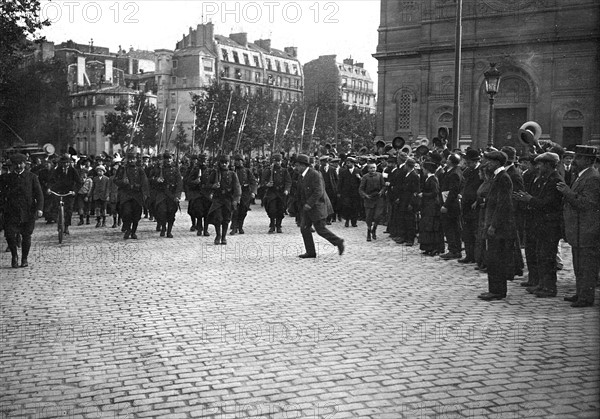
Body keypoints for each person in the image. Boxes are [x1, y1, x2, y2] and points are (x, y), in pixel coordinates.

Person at [557, 145, 600, 307]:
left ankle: (586, 297)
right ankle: (580, 292)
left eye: (579, 158)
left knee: (587, 266)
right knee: (578, 264)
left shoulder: (593, 177)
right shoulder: (583, 175)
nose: (575, 161)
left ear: (589, 160)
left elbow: (587, 204)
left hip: (587, 229)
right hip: (579, 229)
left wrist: (567, 192)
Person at [478, 151, 516, 301]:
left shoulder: (503, 178)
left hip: (499, 227)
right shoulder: (496, 177)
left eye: (491, 161)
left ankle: (498, 291)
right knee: (492, 258)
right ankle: (493, 289)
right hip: (493, 223)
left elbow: (503, 204)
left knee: (496, 259)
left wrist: (493, 225)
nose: (488, 164)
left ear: (497, 162)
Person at [294, 154, 345, 258]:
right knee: (304, 228)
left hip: (318, 206)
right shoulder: (301, 176)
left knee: (320, 229)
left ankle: (338, 241)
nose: (296, 168)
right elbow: (300, 192)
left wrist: (309, 204)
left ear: (303, 165)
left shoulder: (315, 174)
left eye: (297, 165)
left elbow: (318, 191)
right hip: (307, 208)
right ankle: (311, 252)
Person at [0, 153, 44, 268]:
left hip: (28, 212)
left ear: (25, 164)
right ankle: (14, 256)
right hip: (11, 212)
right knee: (9, 235)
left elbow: (39, 195)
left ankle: (24, 258)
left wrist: (39, 209)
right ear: (12, 165)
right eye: (16, 164)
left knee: (26, 236)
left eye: (21, 163)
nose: (19, 166)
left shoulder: (32, 177)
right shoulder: (6, 178)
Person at [114, 152, 149, 239]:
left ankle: (133, 231)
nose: (131, 161)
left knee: (136, 215)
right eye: (130, 159)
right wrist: (122, 182)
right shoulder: (122, 169)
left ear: (136, 159)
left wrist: (142, 191)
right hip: (126, 195)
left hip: (137, 195)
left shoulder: (140, 170)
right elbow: (115, 180)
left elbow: (144, 182)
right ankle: (128, 229)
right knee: (126, 213)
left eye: (133, 159)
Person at [207, 155, 241, 245]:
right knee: (218, 218)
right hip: (218, 199)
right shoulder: (215, 173)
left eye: (226, 162)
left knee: (226, 219)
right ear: (220, 163)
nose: (224, 164)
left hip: (228, 199)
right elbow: (207, 184)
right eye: (222, 163)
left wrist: (236, 199)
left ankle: (224, 237)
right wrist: (213, 186)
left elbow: (237, 187)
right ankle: (218, 235)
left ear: (229, 163)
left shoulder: (232, 174)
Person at [150, 152, 183, 238]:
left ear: (172, 159)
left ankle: (169, 231)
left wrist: (177, 195)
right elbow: (150, 179)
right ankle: (163, 227)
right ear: (164, 159)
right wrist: (156, 180)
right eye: (166, 158)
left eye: (170, 158)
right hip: (162, 193)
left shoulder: (175, 170)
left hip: (172, 194)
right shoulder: (159, 169)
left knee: (171, 213)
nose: (168, 160)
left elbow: (179, 183)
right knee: (162, 212)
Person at [459, 149, 483, 263]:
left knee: (475, 231)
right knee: (467, 232)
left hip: (474, 206)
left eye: (469, 162)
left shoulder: (481, 172)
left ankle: (476, 256)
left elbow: (483, 189)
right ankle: (469, 255)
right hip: (466, 204)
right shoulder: (468, 171)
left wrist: (477, 200)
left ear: (475, 161)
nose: (467, 164)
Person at [439, 153, 464, 259]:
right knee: (453, 228)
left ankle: (453, 250)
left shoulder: (454, 173)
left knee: (451, 228)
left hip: (451, 205)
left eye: (448, 159)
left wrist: (446, 205)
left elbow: (453, 191)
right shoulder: (453, 171)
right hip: (450, 203)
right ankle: (455, 249)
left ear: (451, 161)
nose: (446, 160)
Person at [49, 155, 81, 235]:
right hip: (59, 191)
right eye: (63, 163)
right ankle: (58, 220)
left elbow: (78, 183)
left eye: (67, 163)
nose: (65, 165)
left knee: (69, 210)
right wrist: (49, 189)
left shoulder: (73, 170)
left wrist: (74, 191)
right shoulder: (57, 170)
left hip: (69, 193)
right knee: (55, 206)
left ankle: (66, 226)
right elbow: (51, 180)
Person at [260, 153, 291, 233]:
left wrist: (287, 189)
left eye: (279, 161)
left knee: (281, 210)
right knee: (272, 209)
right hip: (272, 193)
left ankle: (278, 225)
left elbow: (288, 181)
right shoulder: (269, 170)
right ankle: (272, 225)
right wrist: (267, 184)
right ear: (273, 161)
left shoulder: (284, 171)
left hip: (281, 193)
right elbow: (262, 181)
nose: (277, 163)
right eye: (276, 161)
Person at [418, 161, 443, 256]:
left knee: (432, 227)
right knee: (427, 226)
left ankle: (434, 247)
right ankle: (428, 246)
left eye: (423, 169)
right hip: (427, 205)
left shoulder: (433, 179)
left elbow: (435, 192)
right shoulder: (428, 178)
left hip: (432, 206)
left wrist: (423, 194)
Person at [359, 161, 385, 241]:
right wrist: (365, 196)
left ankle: (374, 229)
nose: (372, 169)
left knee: (377, 216)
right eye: (371, 168)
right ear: (368, 169)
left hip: (378, 199)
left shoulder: (380, 175)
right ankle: (368, 232)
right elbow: (361, 189)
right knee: (369, 217)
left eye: (374, 167)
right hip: (369, 199)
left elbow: (383, 186)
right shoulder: (365, 177)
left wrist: (381, 191)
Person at [231, 155, 257, 235]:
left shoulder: (247, 171)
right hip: (235, 193)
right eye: (236, 160)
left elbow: (253, 181)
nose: (238, 162)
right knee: (235, 211)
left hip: (245, 193)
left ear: (242, 161)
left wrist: (253, 192)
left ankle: (240, 226)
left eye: (240, 160)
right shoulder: (232, 171)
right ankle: (234, 227)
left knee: (243, 210)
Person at [337, 156, 362, 227]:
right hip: (346, 193)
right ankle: (347, 220)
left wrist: (359, 178)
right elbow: (340, 182)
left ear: (353, 163)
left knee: (355, 207)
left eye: (349, 163)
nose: (348, 164)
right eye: (347, 163)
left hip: (355, 193)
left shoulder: (358, 171)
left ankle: (354, 222)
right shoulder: (343, 172)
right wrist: (339, 192)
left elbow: (362, 182)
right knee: (347, 207)